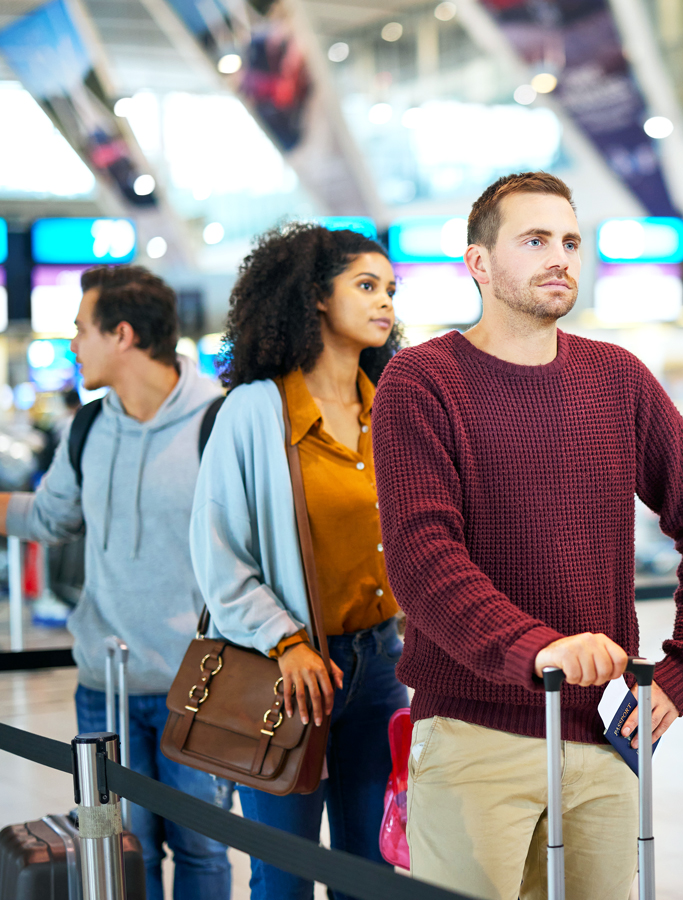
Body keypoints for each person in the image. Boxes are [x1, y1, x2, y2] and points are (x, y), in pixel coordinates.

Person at [372, 171, 683, 900]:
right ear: (478, 263)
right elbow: (423, 561)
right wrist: (536, 649)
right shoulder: (421, 382)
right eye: (535, 240)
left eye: (571, 241)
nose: (560, 258)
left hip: (603, 741)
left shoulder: (618, 378)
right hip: (475, 739)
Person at [190, 224, 408, 900]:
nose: (385, 304)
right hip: (287, 675)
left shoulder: (393, 409)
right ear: (315, 298)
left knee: (369, 874)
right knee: (283, 878)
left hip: (380, 670)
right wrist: (285, 641)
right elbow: (218, 551)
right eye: (366, 287)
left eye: (390, 290)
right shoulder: (256, 412)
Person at [0, 265, 232, 900]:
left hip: (200, 689)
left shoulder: (219, 422)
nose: (74, 344)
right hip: (101, 695)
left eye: (81, 329)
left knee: (203, 850)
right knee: (114, 849)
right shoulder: (88, 427)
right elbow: (51, 517)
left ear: (122, 334)